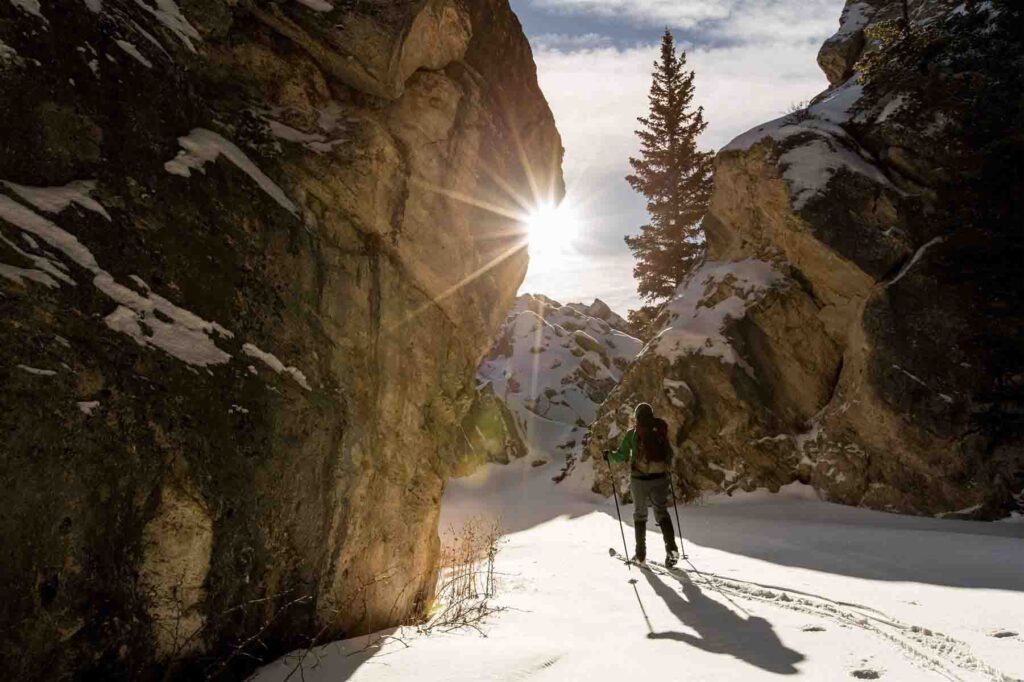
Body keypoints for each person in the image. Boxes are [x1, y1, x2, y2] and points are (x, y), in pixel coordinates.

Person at [605, 403, 680, 567]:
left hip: (639, 480)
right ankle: (672, 549)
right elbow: (670, 454)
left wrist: (608, 456)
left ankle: (640, 555)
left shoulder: (633, 434)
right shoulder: (660, 431)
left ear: (637, 417)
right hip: (660, 477)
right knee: (662, 513)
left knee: (640, 515)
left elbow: (621, 456)